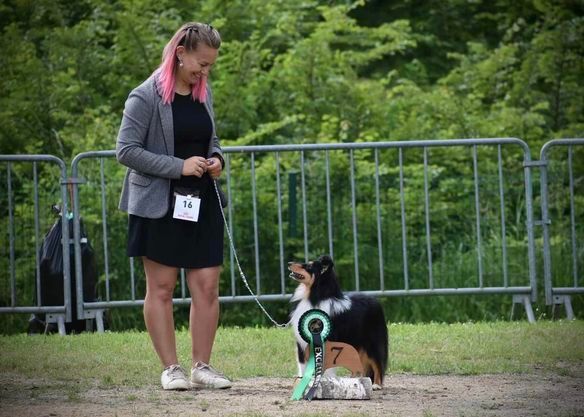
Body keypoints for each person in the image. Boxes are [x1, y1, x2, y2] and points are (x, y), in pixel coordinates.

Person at [116, 22, 231, 391]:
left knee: (208, 287)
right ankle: (171, 369)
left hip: (201, 202)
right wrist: (178, 166)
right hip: (157, 204)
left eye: (210, 65)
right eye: (201, 63)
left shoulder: (202, 91)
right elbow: (126, 151)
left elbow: (211, 138)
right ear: (180, 54)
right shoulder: (144, 96)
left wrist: (216, 160)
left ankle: (202, 366)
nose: (205, 71)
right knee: (162, 288)